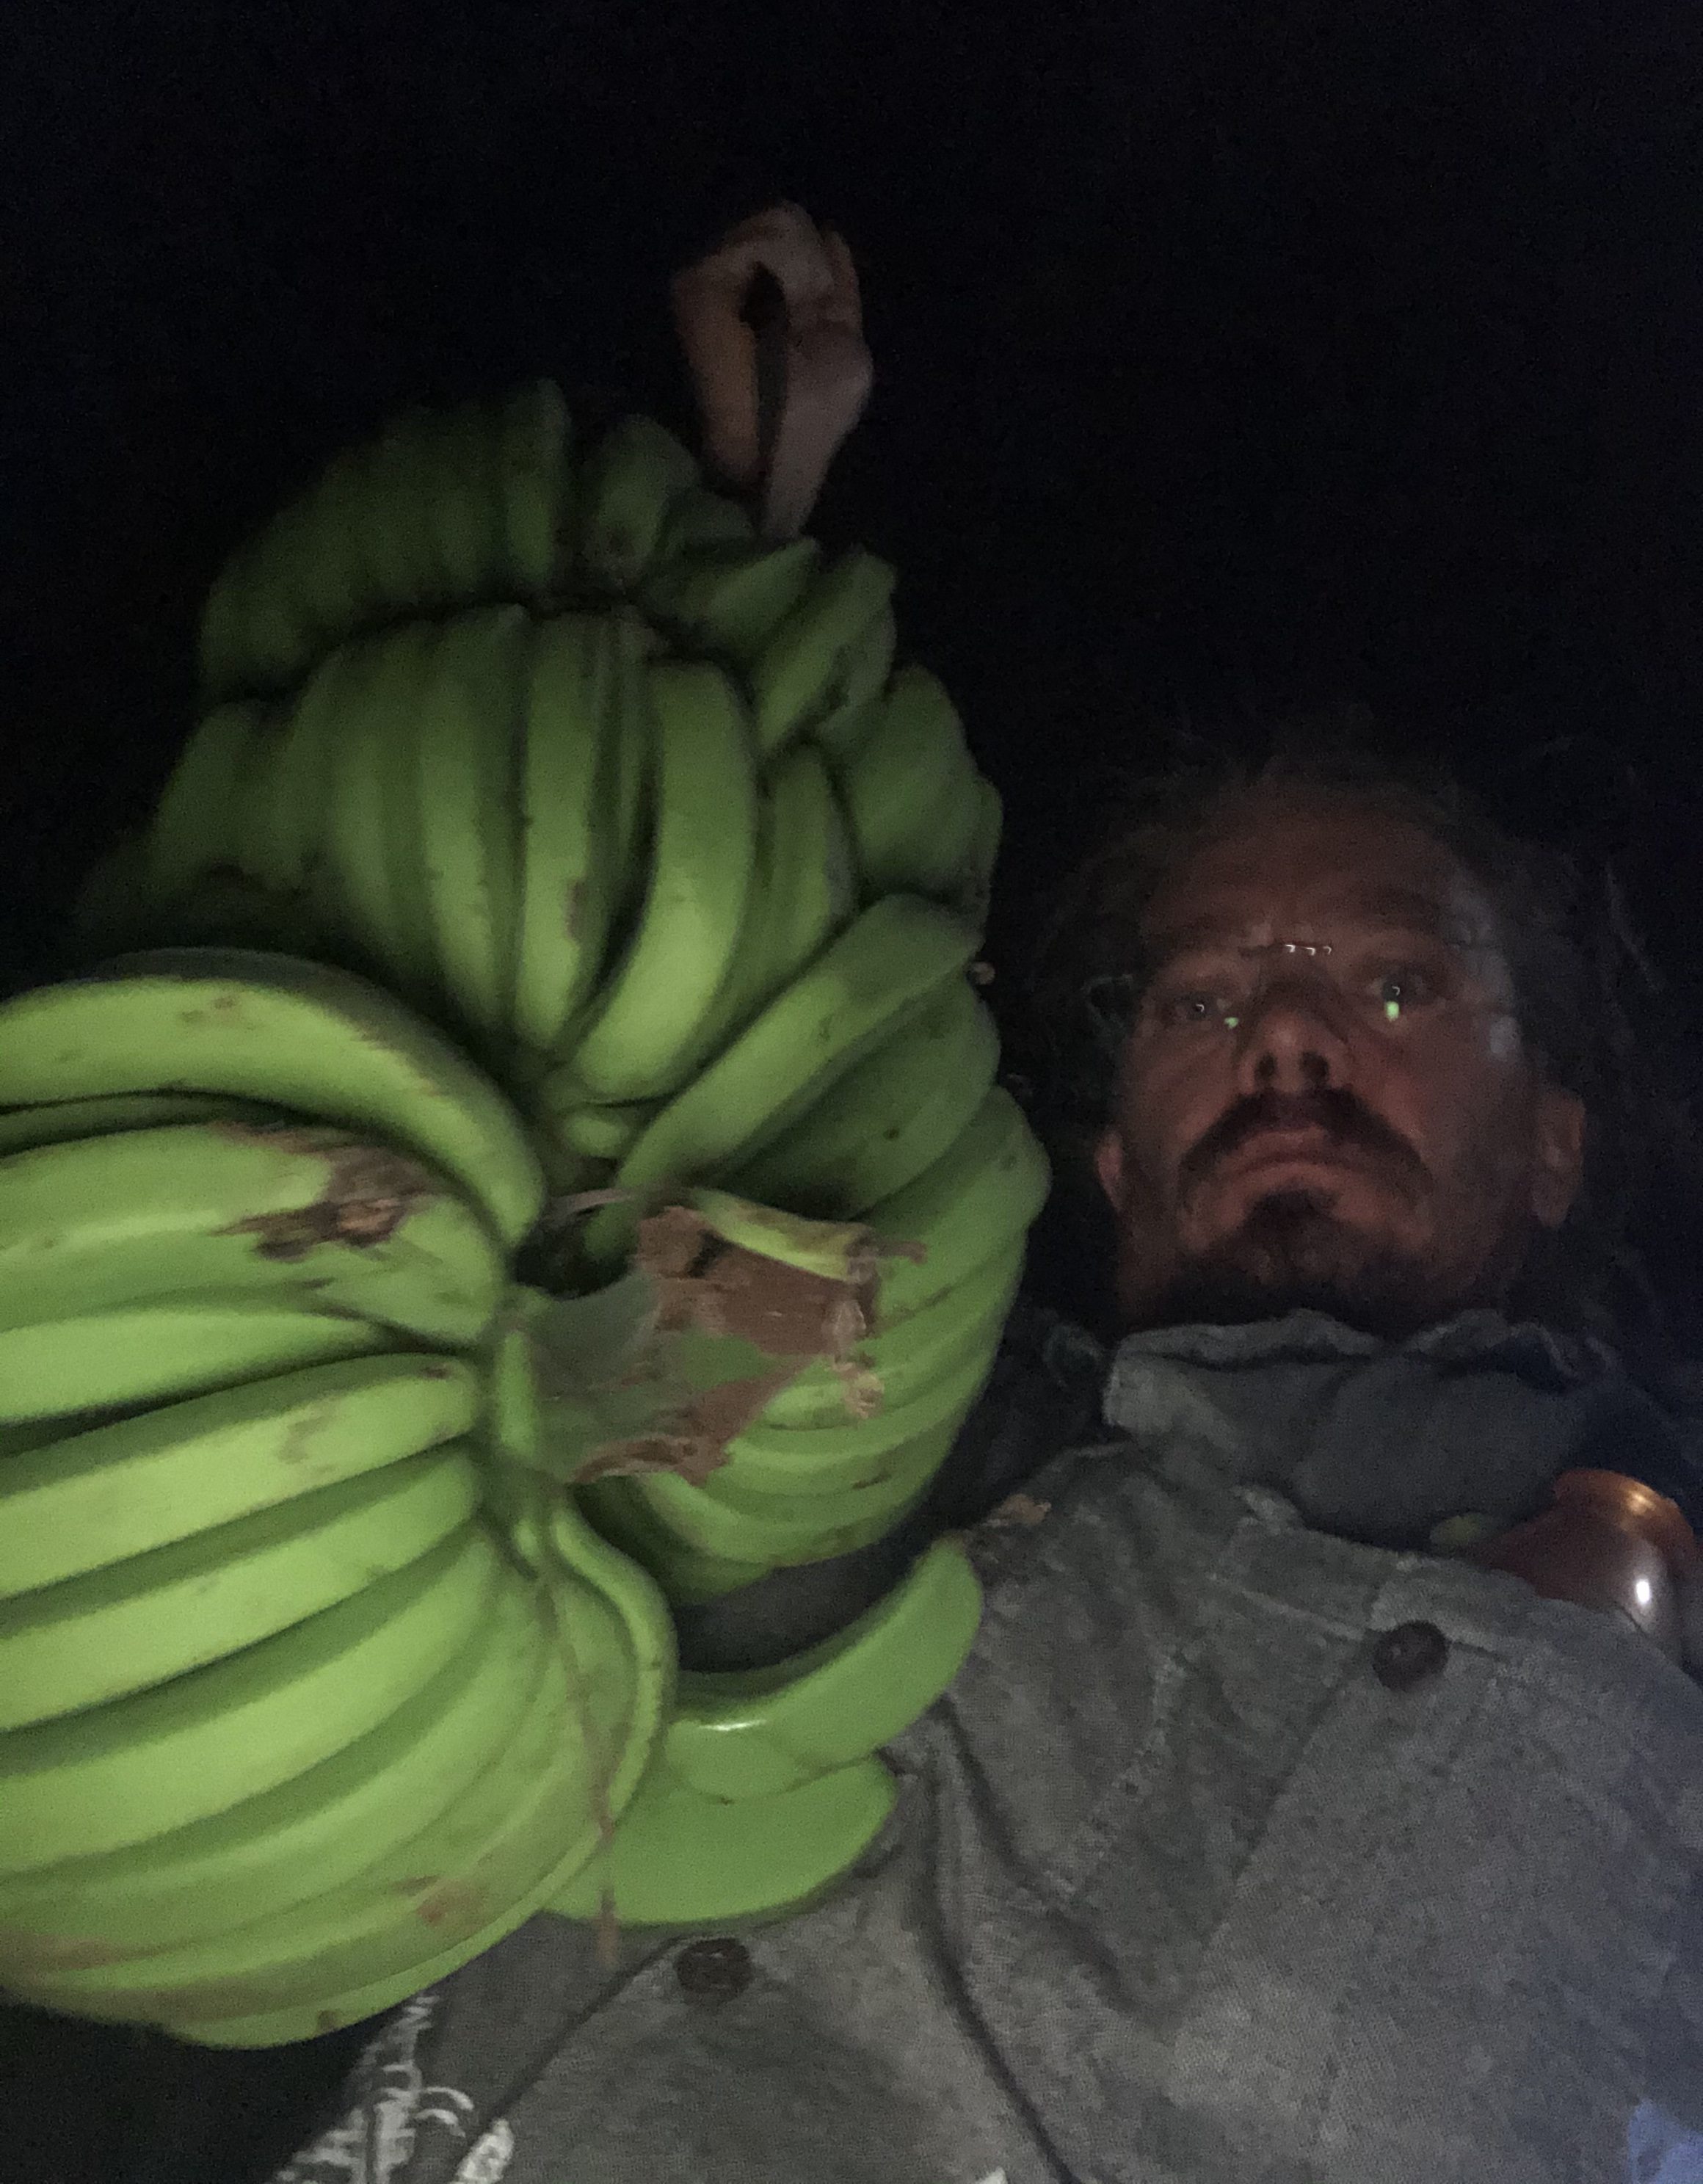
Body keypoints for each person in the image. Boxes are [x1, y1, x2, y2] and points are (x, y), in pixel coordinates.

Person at [253, 717, 1703, 2184]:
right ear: (1117, 1161)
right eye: (1199, 1002)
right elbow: (430, 1426)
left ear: (1552, 1146)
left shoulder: (1651, 1558)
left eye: (1396, 986)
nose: (1284, 1038)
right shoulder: (816, 1347)